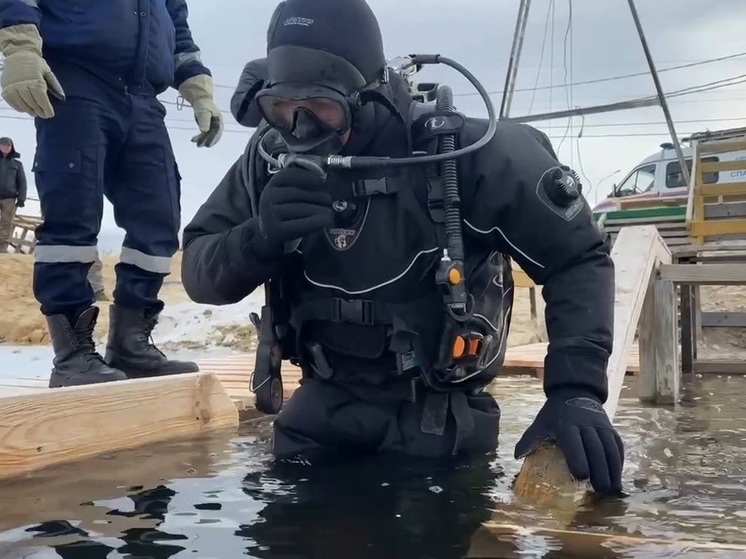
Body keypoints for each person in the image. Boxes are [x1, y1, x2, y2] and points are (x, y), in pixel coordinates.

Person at [180, 0, 624, 495]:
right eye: (281, 108)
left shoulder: (459, 156)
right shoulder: (267, 159)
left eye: (322, 107)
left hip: (440, 424)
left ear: (367, 94)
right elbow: (199, 271)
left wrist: (576, 391)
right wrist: (258, 238)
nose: (300, 128)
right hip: (317, 413)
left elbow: (577, 258)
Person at [0, 1, 224, 388]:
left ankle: (131, 343)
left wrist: (198, 86)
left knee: (160, 218)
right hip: (76, 82)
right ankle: (72, 353)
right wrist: (20, 47)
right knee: (73, 217)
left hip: (143, 99)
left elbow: (179, 30)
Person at [0, 136, 26, 253]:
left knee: (6, 224)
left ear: (11, 148)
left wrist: (21, 198)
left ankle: (2, 249)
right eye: (4, 145)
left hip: (9, 199)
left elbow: (22, 183)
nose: (6, 147)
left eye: (8, 146)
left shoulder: (17, 165)